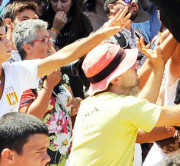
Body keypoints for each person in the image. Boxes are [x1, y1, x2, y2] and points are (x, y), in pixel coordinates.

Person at [67, 42, 180, 166]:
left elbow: (140, 105)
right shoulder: (123, 107)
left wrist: (158, 68)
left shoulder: (88, 104)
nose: (135, 65)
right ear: (115, 80)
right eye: (128, 65)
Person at [0, 8, 131, 117]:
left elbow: (64, 56)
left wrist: (102, 33)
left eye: (4, 36)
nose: (7, 42)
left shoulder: (16, 71)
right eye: (0, 38)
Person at [15, 28, 79, 165]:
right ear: (27, 48)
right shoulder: (23, 80)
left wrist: (76, 104)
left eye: (49, 39)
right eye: (44, 40)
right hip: (40, 158)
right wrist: (48, 87)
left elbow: (71, 109)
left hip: (66, 155)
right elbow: (27, 121)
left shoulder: (58, 77)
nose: (50, 44)